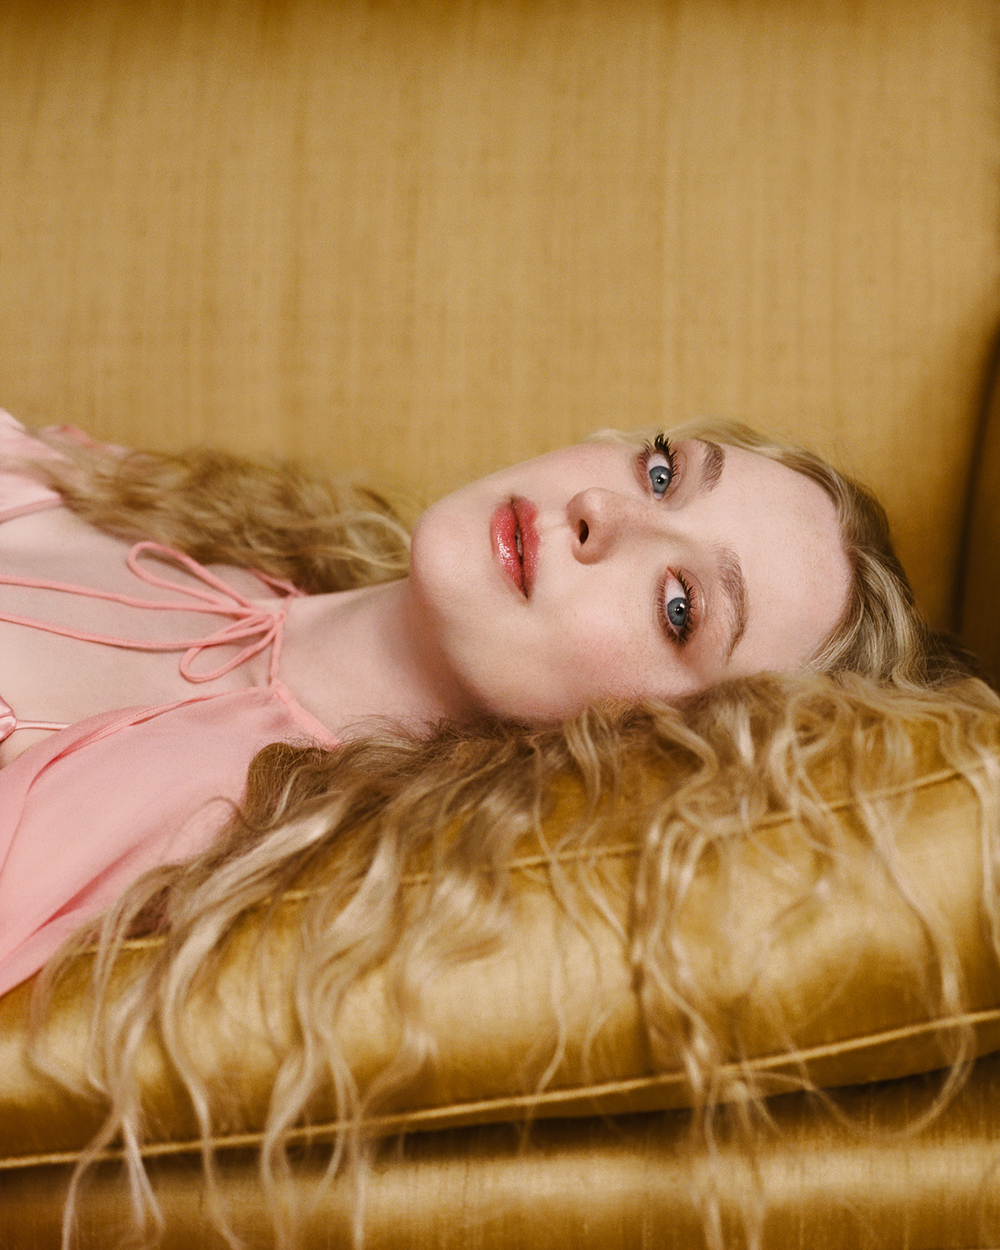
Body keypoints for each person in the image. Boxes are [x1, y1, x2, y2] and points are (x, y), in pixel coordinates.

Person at [5, 405, 985, 1250]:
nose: (603, 512)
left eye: (679, 606)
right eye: (662, 472)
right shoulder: (171, 508)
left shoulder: (212, 838)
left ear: (657, 750)